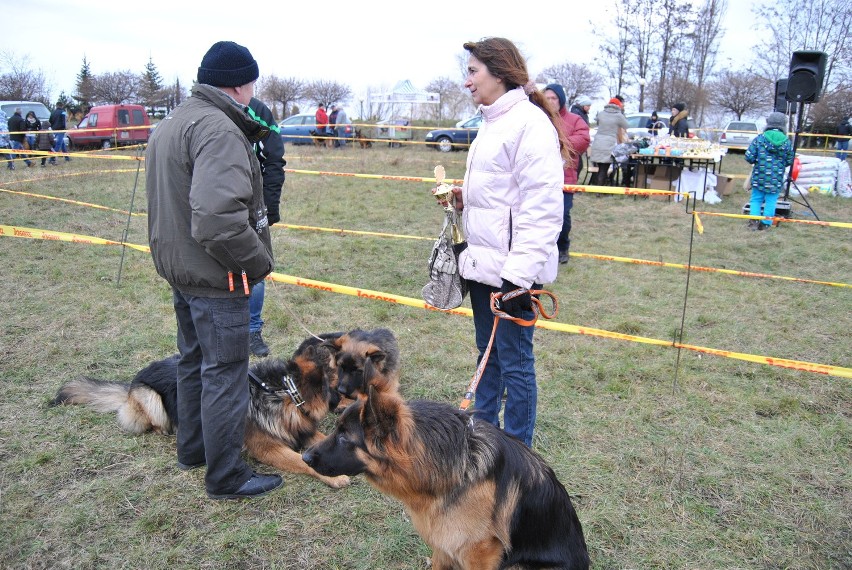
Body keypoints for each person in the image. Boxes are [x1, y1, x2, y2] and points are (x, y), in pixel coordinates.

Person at [145, 40, 281, 499]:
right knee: (224, 372)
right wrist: (257, 263)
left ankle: (194, 448)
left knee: (193, 361)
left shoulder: (173, 122)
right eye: (252, 83)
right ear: (241, 84)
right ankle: (226, 476)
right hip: (217, 275)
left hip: (182, 269)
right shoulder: (219, 129)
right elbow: (218, 221)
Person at [442, 37, 568, 447]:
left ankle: (517, 457)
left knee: (515, 364)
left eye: (473, 71)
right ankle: (483, 445)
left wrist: (517, 277)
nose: (467, 82)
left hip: (513, 273)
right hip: (483, 266)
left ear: (499, 73)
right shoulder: (491, 123)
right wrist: (464, 198)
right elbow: (504, 196)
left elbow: (543, 209)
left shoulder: (529, 125)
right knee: (487, 357)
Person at [246, 96, 286, 357]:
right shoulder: (203, 109)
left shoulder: (257, 110)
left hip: (252, 201)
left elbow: (273, 159)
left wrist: (269, 207)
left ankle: (251, 331)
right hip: (210, 201)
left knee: (256, 265)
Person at [544, 83, 590, 265]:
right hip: (541, 178)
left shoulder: (575, 119)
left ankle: (563, 247)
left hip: (565, 177)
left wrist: (558, 143)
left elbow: (584, 139)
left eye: (553, 98)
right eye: (546, 98)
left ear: (561, 100)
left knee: (563, 216)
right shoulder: (537, 118)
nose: (550, 101)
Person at [744, 111, 794, 231]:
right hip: (776, 178)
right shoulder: (787, 142)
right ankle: (766, 223)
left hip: (759, 176)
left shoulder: (760, 139)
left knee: (756, 199)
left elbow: (749, 156)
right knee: (771, 201)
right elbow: (789, 160)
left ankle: (754, 222)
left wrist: (756, 161)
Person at [588, 97, 628, 186]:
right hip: (609, 144)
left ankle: (598, 187)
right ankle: (600, 191)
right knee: (604, 169)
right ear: (618, 106)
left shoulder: (601, 114)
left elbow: (597, 121)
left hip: (598, 143)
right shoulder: (619, 115)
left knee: (600, 167)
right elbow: (626, 125)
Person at [569, 95, 592, 178]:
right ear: (583, 105)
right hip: (575, 143)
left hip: (577, 142)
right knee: (578, 165)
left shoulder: (582, 114)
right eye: (588, 106)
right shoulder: (577, 114)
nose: (589, 108)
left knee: (579, 165)